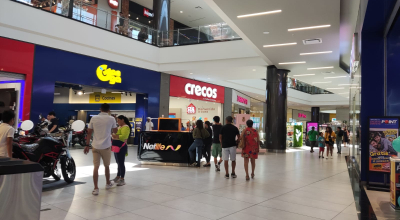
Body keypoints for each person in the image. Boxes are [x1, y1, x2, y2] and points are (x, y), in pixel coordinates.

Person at [84, 103, 118, 195]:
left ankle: (96, 188)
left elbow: (89, 133)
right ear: (109, 110)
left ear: (100, 109)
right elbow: (115, 131)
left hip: (95, 146)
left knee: (96, 167)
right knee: (107, 166)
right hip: (106, 146)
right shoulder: (111, 119)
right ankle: (107, 183)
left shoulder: (94, 118)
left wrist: (87, 145)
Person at [111, 115, 131, 186]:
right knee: (118, 162)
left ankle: (122, 179)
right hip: (116, 147)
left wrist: (115, 136)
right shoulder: (120, 127)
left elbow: (124, 137)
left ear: (123, 120)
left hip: (121, 147)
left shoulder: (126, 127)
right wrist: (115, 135)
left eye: (118, 120)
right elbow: (116, 134)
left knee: (121, 163)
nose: (118, 122)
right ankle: (118, 176)